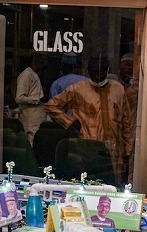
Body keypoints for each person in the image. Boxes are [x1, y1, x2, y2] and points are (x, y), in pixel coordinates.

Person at [44, 52, 133, 184]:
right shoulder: (78, 89)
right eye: (94, 70)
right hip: (88, 148)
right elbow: (51, 106)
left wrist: (128, 149)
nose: (98, 73)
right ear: (88, 70)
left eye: (101, 70)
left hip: (114, 150)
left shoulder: (118, 89)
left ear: (107, 69)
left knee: (113, 187)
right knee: (90, 184)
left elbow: (126, 121)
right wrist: (70, 122)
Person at [15, 54, 48, 143]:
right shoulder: (26, 75)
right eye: (43, 61)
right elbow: (19, 98)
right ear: (36, 60)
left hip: (38, 121)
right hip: (31, 122)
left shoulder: (35, 75)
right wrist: (38, 99)